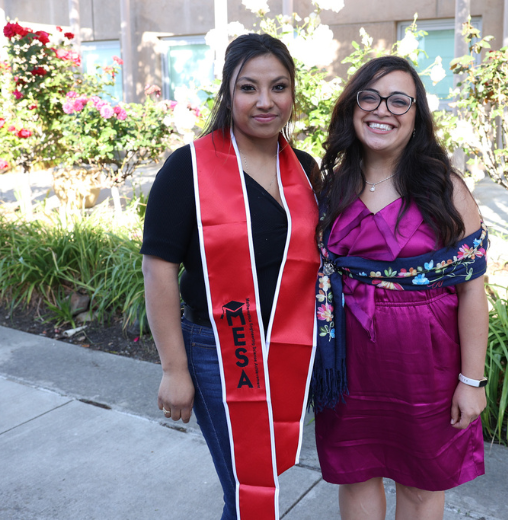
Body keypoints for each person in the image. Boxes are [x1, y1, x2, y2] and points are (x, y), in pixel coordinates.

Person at [141, 33, 320, 520]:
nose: (266, 102)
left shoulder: (303, 170)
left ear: (292, 95)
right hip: (219, 350)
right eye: (249, 88)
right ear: (228, 93)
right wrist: (174, 369)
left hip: (287, 346)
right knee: (248, 495)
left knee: (258, 483)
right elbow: (158, 269)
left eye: (279, 87)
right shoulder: (190, 168)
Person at [311, 56, 489, 520]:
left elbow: (473, 289)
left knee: (420, 483)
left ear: (416, 115)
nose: (381, 110)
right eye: (369, 97)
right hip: (347, 363)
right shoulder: (331, 189)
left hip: (426, 366)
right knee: (355, 474)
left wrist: (472, 381)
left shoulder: (444, 190)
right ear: (352, 108)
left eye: (398, 100)